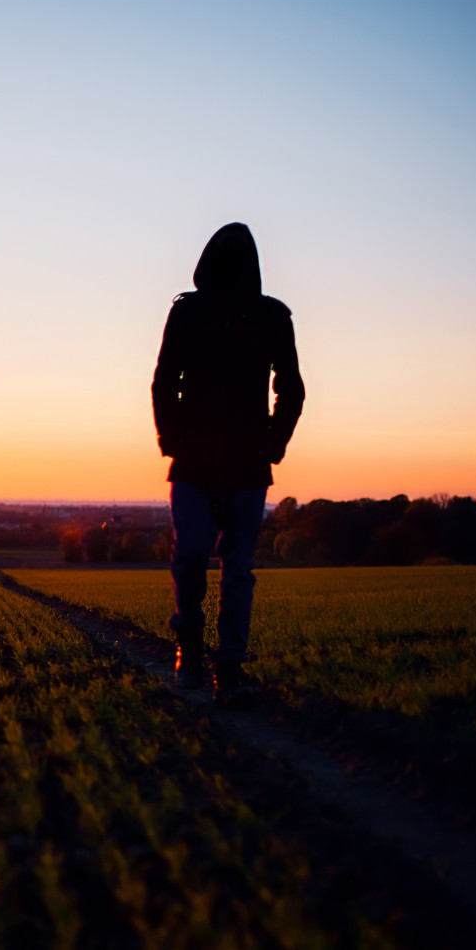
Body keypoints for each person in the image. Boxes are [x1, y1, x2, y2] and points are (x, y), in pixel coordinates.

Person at [151, 222, 304, 707]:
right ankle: (190, 654)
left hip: (246, 466)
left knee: (237, 568)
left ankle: (230, 668)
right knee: (193, 555)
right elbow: (163, 382)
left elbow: (292, 389)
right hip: (194, 463)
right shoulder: (187, 313)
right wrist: (172, 441)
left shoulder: (272, 317)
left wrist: (272, 446)